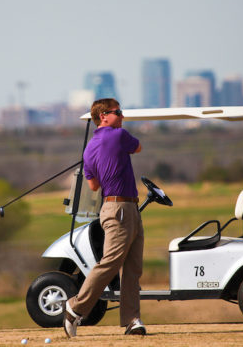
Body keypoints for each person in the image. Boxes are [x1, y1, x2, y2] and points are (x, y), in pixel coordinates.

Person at [64, 98, 146, 337]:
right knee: (111, 263)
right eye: (118, 112)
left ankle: (133, 320)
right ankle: (75, 307)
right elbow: (139, 147)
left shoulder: (88, 149)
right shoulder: (119, 135)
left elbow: (93, 185)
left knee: (133, 269)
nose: (122, 116)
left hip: (121, 207)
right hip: (121, 208)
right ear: (103, 116)